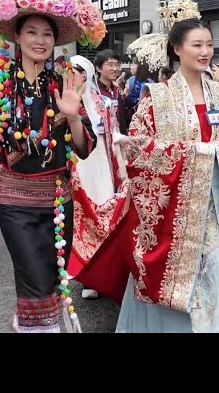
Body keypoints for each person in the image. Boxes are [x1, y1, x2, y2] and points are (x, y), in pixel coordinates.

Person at [76, 0, 219, 333]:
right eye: (196, 45)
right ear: (176, 49)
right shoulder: (156, 96)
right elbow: (139, 148)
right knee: (173, 286)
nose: (205, 52)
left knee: (216, 274)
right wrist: (200, 154)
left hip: (214, 212)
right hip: (173, 216)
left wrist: (217, 152)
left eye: (210, 45)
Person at [0, 0, 103, 333]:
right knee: (33, 277)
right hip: (13, 201)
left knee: (54, 273)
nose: (40, 41)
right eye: (32, 33)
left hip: (57, 199)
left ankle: (32, 323)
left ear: (56, 41)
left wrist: (72, 115)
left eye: (47, 34)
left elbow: (85, 149)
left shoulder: (64, 83)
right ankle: (38, 328)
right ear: (17, 38)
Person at [67, 55, 129, 300]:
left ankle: (104, 271)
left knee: (103, 215)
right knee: (79, 219)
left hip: (100, 163)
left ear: (86, 75)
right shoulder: (60, 98)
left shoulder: (99, 102)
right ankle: (85, 275)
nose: (72, 76)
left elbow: (110, 131)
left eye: (77, 71)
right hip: (76, 165)